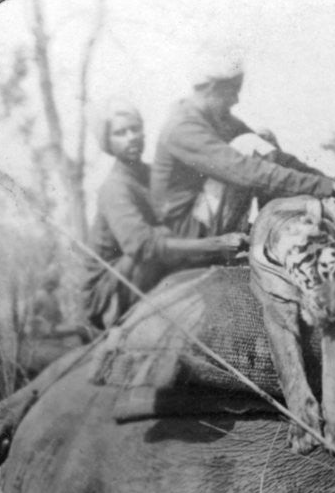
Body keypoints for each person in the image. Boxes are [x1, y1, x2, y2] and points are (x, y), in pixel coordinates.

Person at [80, 99, 245, 330]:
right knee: (157, 239)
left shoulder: (150, 174)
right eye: (120, 133)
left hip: (147, 266)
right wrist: (215, 245)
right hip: (110, 291)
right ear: (107, 142)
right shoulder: (115, 187)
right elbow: (141, 246)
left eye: (135, 128)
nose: (131, 137)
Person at [151, 54, 335, 239]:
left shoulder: (218, 119)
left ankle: (277, 224)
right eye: (233, 91)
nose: (236, 100)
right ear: (212, 88)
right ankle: (275, 227)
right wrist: (324, 188)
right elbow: (245, 171)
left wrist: (329, 182)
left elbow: (275, 157)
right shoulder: (182, 127)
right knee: (249, 145)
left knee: (262, 138)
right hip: (185, 233)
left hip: (204, 217)